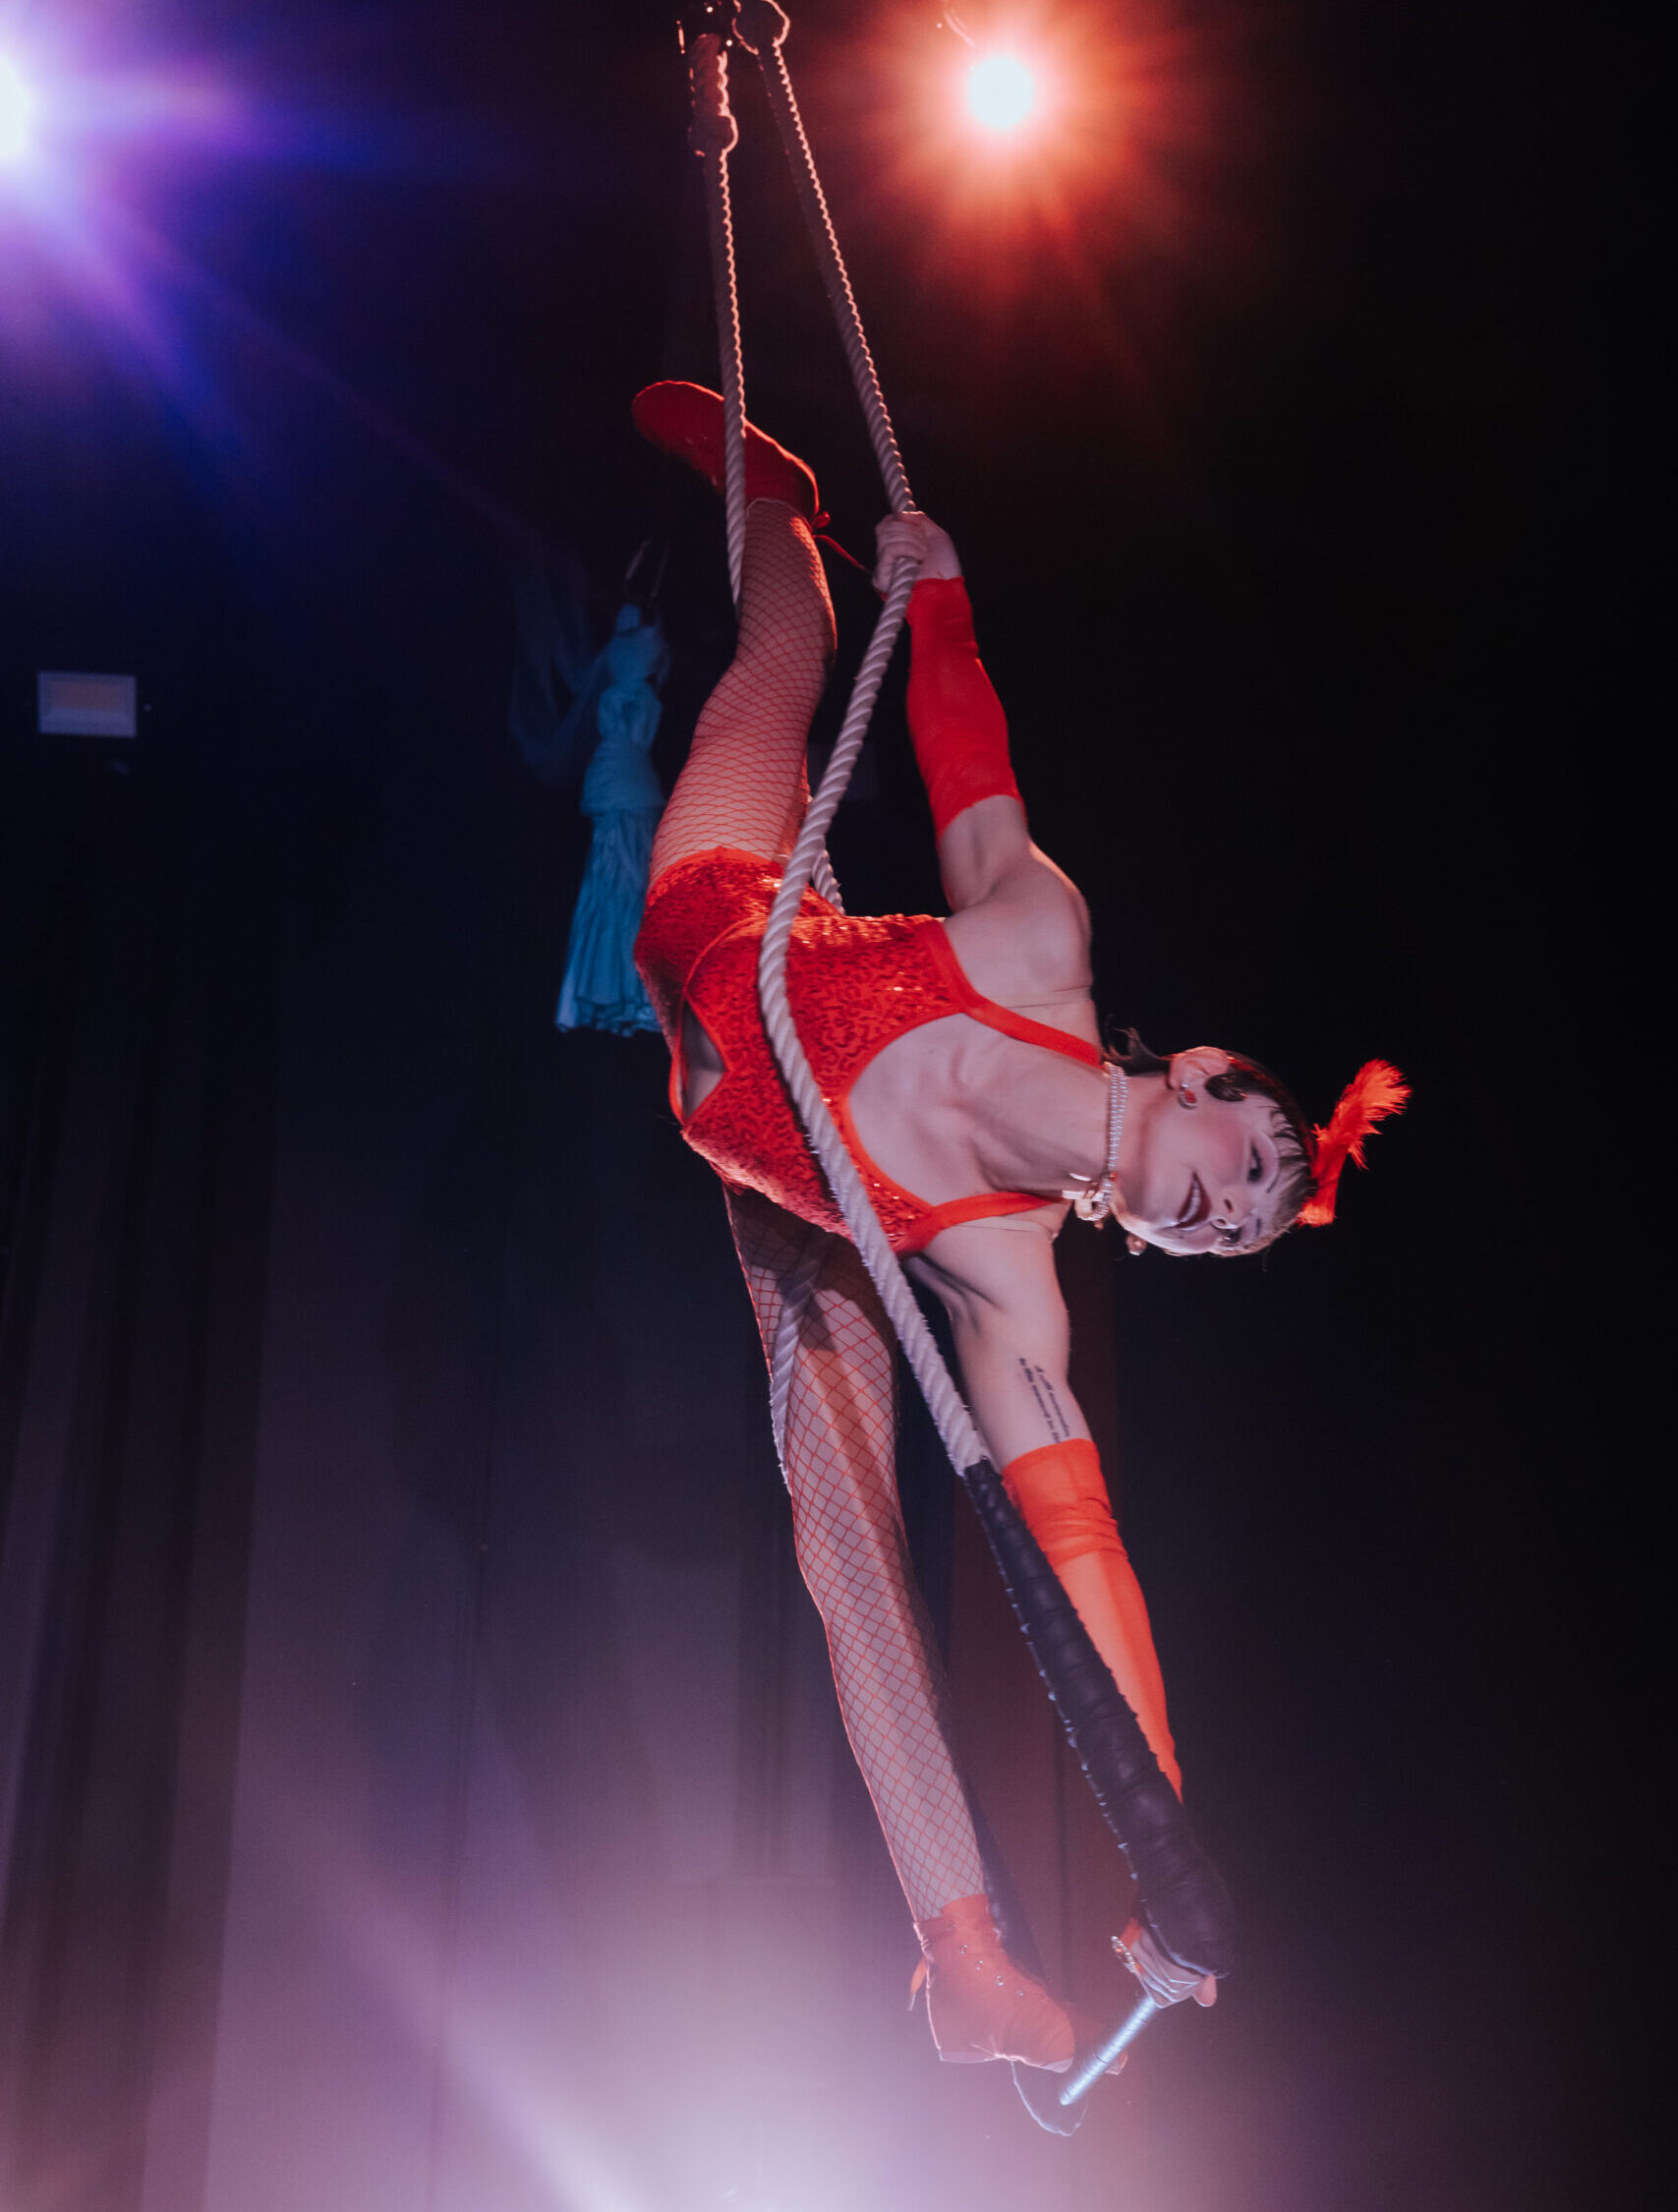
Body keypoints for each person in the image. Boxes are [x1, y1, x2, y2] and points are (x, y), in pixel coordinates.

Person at [632, 380, 1407, 2072]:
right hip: (733, 925)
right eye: (1258, 1153)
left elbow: (1089, 1564)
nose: (1238, 1203)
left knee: (844, 1515)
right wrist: (947, 594)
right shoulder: (1040, 944)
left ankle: (959, 1948)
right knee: (781, 668)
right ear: (1197, 1069)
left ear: (1164, 1249)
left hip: (772, 1179)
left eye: (1239, 1232)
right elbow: (966, 757)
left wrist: (1169, 1838)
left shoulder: (1011, 1286)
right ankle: (792, 521)